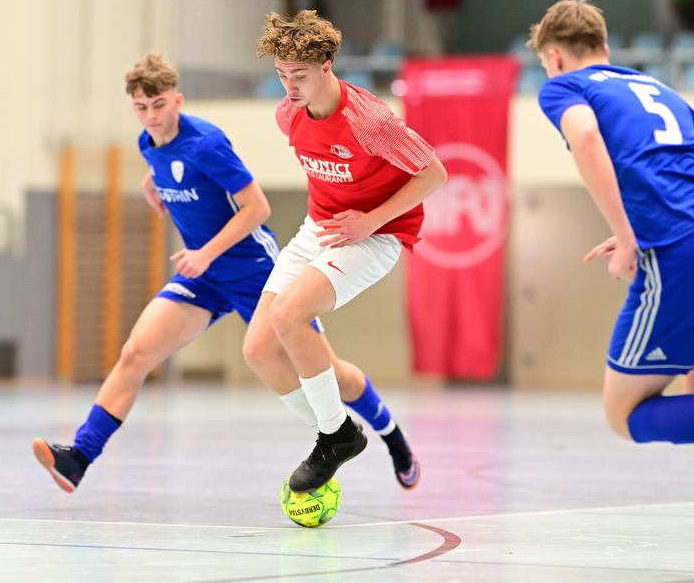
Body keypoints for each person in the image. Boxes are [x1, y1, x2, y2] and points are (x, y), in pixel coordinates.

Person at [32, 52, 418, 493]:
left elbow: (258, 208)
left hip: (251, 267)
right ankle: (80, 458)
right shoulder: (147, 143)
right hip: (203, 275)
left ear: (177, 101)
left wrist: (207, 252)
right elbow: (162, 167)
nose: (151, 117)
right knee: (136, 354)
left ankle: (392, 438)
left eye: (159, 106)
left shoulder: (207, 143)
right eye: (141, 108)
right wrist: (151, 186)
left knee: (330, 369)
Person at [528, 0, 694, 548]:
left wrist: (631, 234)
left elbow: (587, 139)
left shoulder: (566, 87)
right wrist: (643, 221)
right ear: (606, 48)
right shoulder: (656, 88)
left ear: (555, 57)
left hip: (684, 252)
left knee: (625, 414)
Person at [246, 10, 448, 493]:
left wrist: (370, 220)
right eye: (281, 75)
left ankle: (336, 437)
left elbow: (434, 173)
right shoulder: (288, 114)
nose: (289, 86)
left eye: (299, 75)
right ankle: (354, 433)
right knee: (259, 350)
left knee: (290, 314)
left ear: (327, 65)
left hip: (376, 234)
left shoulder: (369, 121)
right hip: (321, 228)